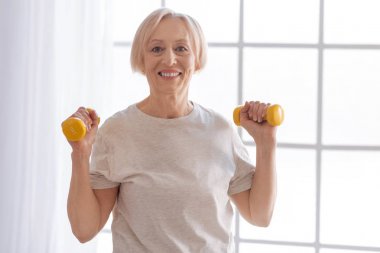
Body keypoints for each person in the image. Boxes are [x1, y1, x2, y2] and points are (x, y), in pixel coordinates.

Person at [65, 8, 277, 253]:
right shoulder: (117, 131)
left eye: (181, 48)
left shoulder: (220, 131)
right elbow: (84, 230)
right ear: (142, 59)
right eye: (156, 49)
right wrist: (80, 154)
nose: (169, 59)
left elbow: (260, 215)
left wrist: (266, 143)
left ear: (196, 59)